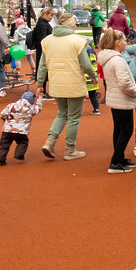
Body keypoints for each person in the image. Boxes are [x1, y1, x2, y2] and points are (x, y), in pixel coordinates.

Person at [37, 13, 97, 161]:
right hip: (74, 84)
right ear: (71, 25)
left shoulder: (47, 41)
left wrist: (39, 84)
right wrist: (93, 76)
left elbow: (42, 65)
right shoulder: (77, 41)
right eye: (75, 24)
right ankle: (70, 149)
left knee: (62, 113)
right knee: (74, 117)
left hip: (56, 84)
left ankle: (49, 142)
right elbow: (85, 64)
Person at [97, 30, 136, 174]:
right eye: (124, 40)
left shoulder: (110, 58)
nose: (126, 43)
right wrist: (135, 92)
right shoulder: (117, 60)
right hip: (122, 99)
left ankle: (119, 158)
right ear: (117, 43)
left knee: (119, 129)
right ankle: (115, 161)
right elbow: (124, 82)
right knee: (126, 130)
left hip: (116, 99)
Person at [0, 91, 44, 166]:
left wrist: (6, 121)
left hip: (7, 130)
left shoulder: (11, 105)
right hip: (21, 131)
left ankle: (0, 159)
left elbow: (3, 114)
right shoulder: (31, 108)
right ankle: (19, 155)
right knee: (23, 142)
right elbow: (39, 108)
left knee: (3, 144)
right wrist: (40, 97)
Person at [31, 7, 55, 98]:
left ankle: (44, 91)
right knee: (44, 69)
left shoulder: (43, 23)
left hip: (43, 50)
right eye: (50, 15)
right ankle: (43, 92)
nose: (51, 17)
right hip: (43, 50)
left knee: (44, 70)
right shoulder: (42, 24)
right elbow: (43, 39)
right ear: (45, 14)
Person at [86, 44, 100, 115]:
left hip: (85, 81)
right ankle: (97, 108)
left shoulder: (85, 61)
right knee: (93, 95)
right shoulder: (94, 59)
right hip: (93, 81)